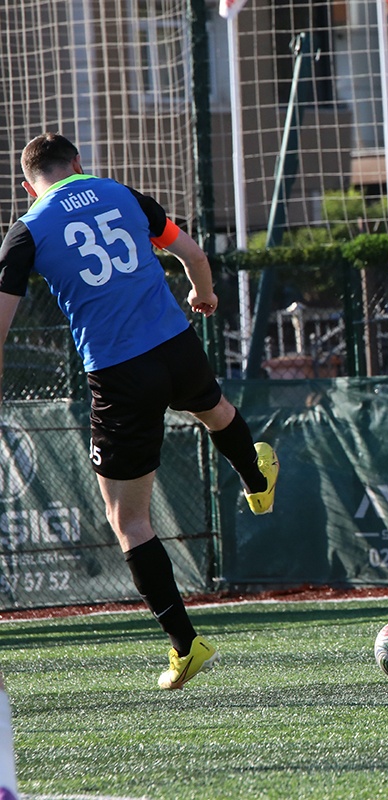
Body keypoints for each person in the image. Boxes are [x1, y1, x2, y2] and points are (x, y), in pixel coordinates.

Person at [0, 132, 280, 689]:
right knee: (214, 409)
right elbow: (192, 255)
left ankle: (186, 645)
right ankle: (255, 478)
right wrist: (203, 296)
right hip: (175, 343)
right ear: (78, 163)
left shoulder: (26, 229)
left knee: (129, 521)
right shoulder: (121, 193)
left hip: (119, 372)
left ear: (28, 187)